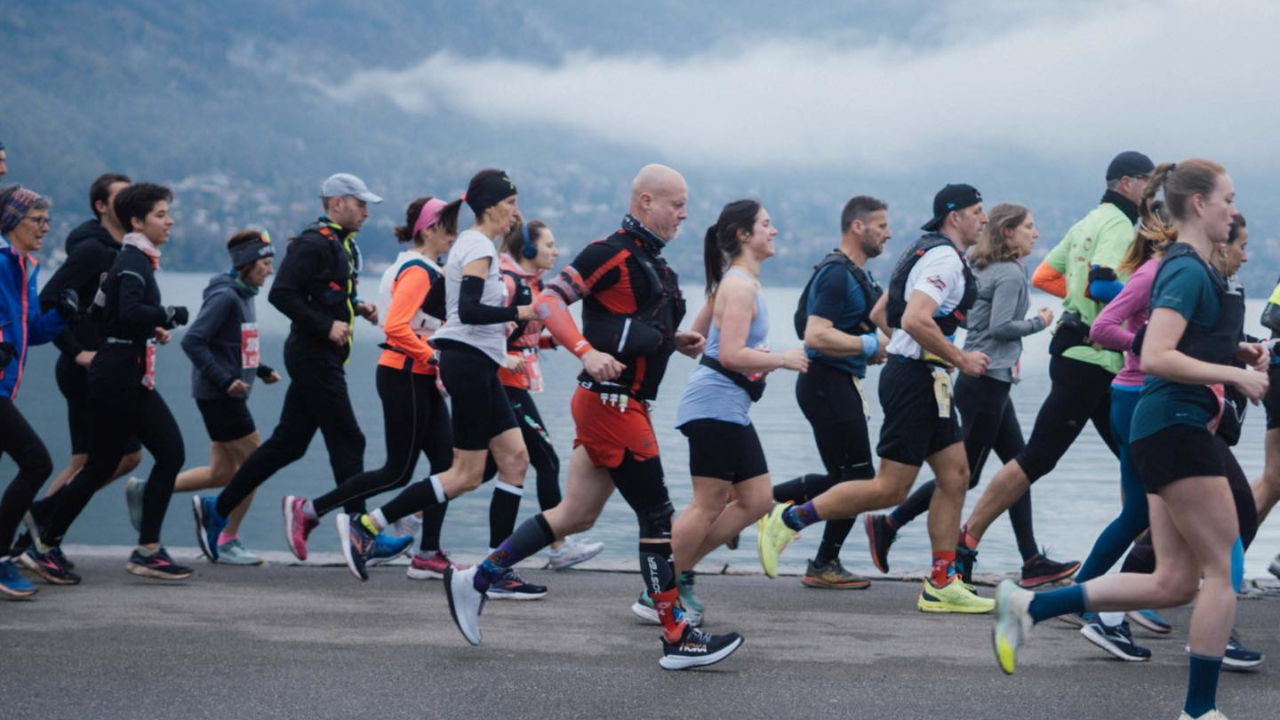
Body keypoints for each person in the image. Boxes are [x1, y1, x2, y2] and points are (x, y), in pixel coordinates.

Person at [993, 159, 1269, 720]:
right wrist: (1235, 376)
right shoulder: (1188, 268)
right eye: (1228, 199)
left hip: (1163, 426)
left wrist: (1231, 353)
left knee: (1171, 582)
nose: (1233, 210)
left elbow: (1177, 342)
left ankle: (1029, 606)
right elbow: (1158, 353)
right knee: (1220, 573)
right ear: (1198, 204)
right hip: (1176, 426)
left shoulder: (1188, 266)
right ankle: (1198, 710)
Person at [441, 164, 745, 670]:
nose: (685, 214)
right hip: (610, 401)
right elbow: (549, 301)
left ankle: (476, 578)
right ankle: (676, 635)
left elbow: (633, 327)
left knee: (575, 514)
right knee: (657, 516)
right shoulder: (610, 253)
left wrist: (674, 342)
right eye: (676, 204)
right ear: (646, 202)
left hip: (617, 401)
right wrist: (583, 350)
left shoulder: (653, 262)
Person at [757, 183, 995, 614]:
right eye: (978, 211)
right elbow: (918, 319)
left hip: (924, 376)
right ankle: (788, 519)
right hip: (917, 381)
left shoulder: (922, 251)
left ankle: (941, 582)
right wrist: (957, 357)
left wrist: (909, 349)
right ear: (954, 216)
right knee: (889, 488)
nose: (985, 219)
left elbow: (882, 313)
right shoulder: (943, 258)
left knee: (956, 475)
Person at [330, 170, 542, 598]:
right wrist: (522, 314)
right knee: (463, 474)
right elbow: (467, 310)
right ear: (489, 207)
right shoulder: (477, 245)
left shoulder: (469, 245)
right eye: (511, 203)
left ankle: (495, 569)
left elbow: (438, 302)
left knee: (515, 459)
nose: (517, 212)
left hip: (477, 363)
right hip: (471, 365)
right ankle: (367, 526)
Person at [192, 173, 410, 564]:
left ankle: (218, 508)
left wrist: (355, 308)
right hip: (313, 356)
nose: (365, 212)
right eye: (360, 204)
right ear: (336, 203)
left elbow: (319, 293)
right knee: (350, 439)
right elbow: (281, 293)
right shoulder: (313, 243)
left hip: (319, 357)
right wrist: (325, 325)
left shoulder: (339, 245)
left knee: (288, 444)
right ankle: (360, 532)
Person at [958, 152, 1154, 581]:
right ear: (1126, 183)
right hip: (1088, 357)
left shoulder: (1088, 221)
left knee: (1134, 458)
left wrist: (1078, 302)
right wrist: (1138, 305)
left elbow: (1046, 275)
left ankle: (1144, 566)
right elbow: (1102, 282)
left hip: (1092, 355)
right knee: (1039, 457)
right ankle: (964, 542)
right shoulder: (1119, 226)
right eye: (1147, 181)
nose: (1151, 191)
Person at [865, 204, 1070, 587]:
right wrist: (1039, 322)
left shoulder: (981, 266)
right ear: (1009, 233)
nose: (1036, 234)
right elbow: (1001, 326)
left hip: (991, 380)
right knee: (964, 477)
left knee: (1017, 468)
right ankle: (889, 523)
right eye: (1029, 226)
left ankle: (1031, 559)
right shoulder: (1008, 272)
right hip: (984, 382)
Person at [279, 195, 464, 576]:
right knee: (396, 470)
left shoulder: (421, 266)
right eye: (448, 228)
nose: (454, 236)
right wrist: (432, 355)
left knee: (446, 465)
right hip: (405, 375)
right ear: (428, 229)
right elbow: (396, 328)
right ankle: (309, 511)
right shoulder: (418, 270)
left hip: (418, 376)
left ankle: (428, 552)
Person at [27, 183, 194, 582]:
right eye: (160, 215)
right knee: (101, 464)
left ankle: (147, 550)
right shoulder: (133, 260)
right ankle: (45, 542)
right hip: (117, 372)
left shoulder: (132, 258)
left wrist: (148, 326)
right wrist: (167, 314)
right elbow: (128, 308)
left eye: (167, 214)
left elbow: (104, 312)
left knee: (170, 452)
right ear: (137, 221)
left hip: (126, 366)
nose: (169, 221)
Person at [654, 199, 806, 626]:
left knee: (757, 500)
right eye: (766, 224)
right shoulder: (737, 286)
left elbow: (695, 339)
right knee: (707, 505)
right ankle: (660, 591)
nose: (773, 231)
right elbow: (733, 354)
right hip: (714, 406)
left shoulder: (734, 284)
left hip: (729, 407)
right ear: (743, 235)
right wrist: (780, 360)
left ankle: (675, 572)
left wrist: (707, 346)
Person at [128, 231, 280, 566]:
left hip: (222, 393)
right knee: (255, 467)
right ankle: (226, 539)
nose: (271, 271)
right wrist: (226, 380)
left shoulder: (245, 292)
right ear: (247, 264)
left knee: (221, 473)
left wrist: (261, 368)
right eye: (266, 264)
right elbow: (193, 340)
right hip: (220, 396)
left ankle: (147, 490)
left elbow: (231, 345)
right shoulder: (226, 296)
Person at [768, 195, 890, 589]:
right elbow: (816, 334)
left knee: (842, 478)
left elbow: (843, 332)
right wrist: (870, 347)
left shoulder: (860, 276)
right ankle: (821, 560)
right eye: (881, 225)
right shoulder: (837, 274)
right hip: (826, 384)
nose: (887, 233)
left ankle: (754, 505)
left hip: (836, 383)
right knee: (859, 480)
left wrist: (865, 349)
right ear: (858, 227)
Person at [22, 175, 142, 554]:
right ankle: (40, 524)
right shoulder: (92, 250)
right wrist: (76, 351)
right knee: (122, 456)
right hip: (85, 369)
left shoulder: (124, 248)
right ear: (101, 206)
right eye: (121, 198)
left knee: (88, 459)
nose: (130, 203)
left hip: (106, 367)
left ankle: (36, 534)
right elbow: (48, 302)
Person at [479, 218, 605, 570]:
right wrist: (506, 356)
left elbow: (525, 333)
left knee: (480, 471)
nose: (556, 251)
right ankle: (556, 546)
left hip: (514, 385)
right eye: (549, 244)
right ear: (529, 249)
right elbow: (480, 328)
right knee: (545, 460)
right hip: (503, 385)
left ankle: (414, 520)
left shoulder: (534, 285)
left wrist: (557, 342)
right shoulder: (506, 282)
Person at [0, 186, 76, 597]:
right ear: (13, 222)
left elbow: (30, 333)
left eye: (48, 220)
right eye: (38, 220)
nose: (46, 228)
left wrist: (62, 315)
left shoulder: (25, 267)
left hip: (6, 386)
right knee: (36, 461)